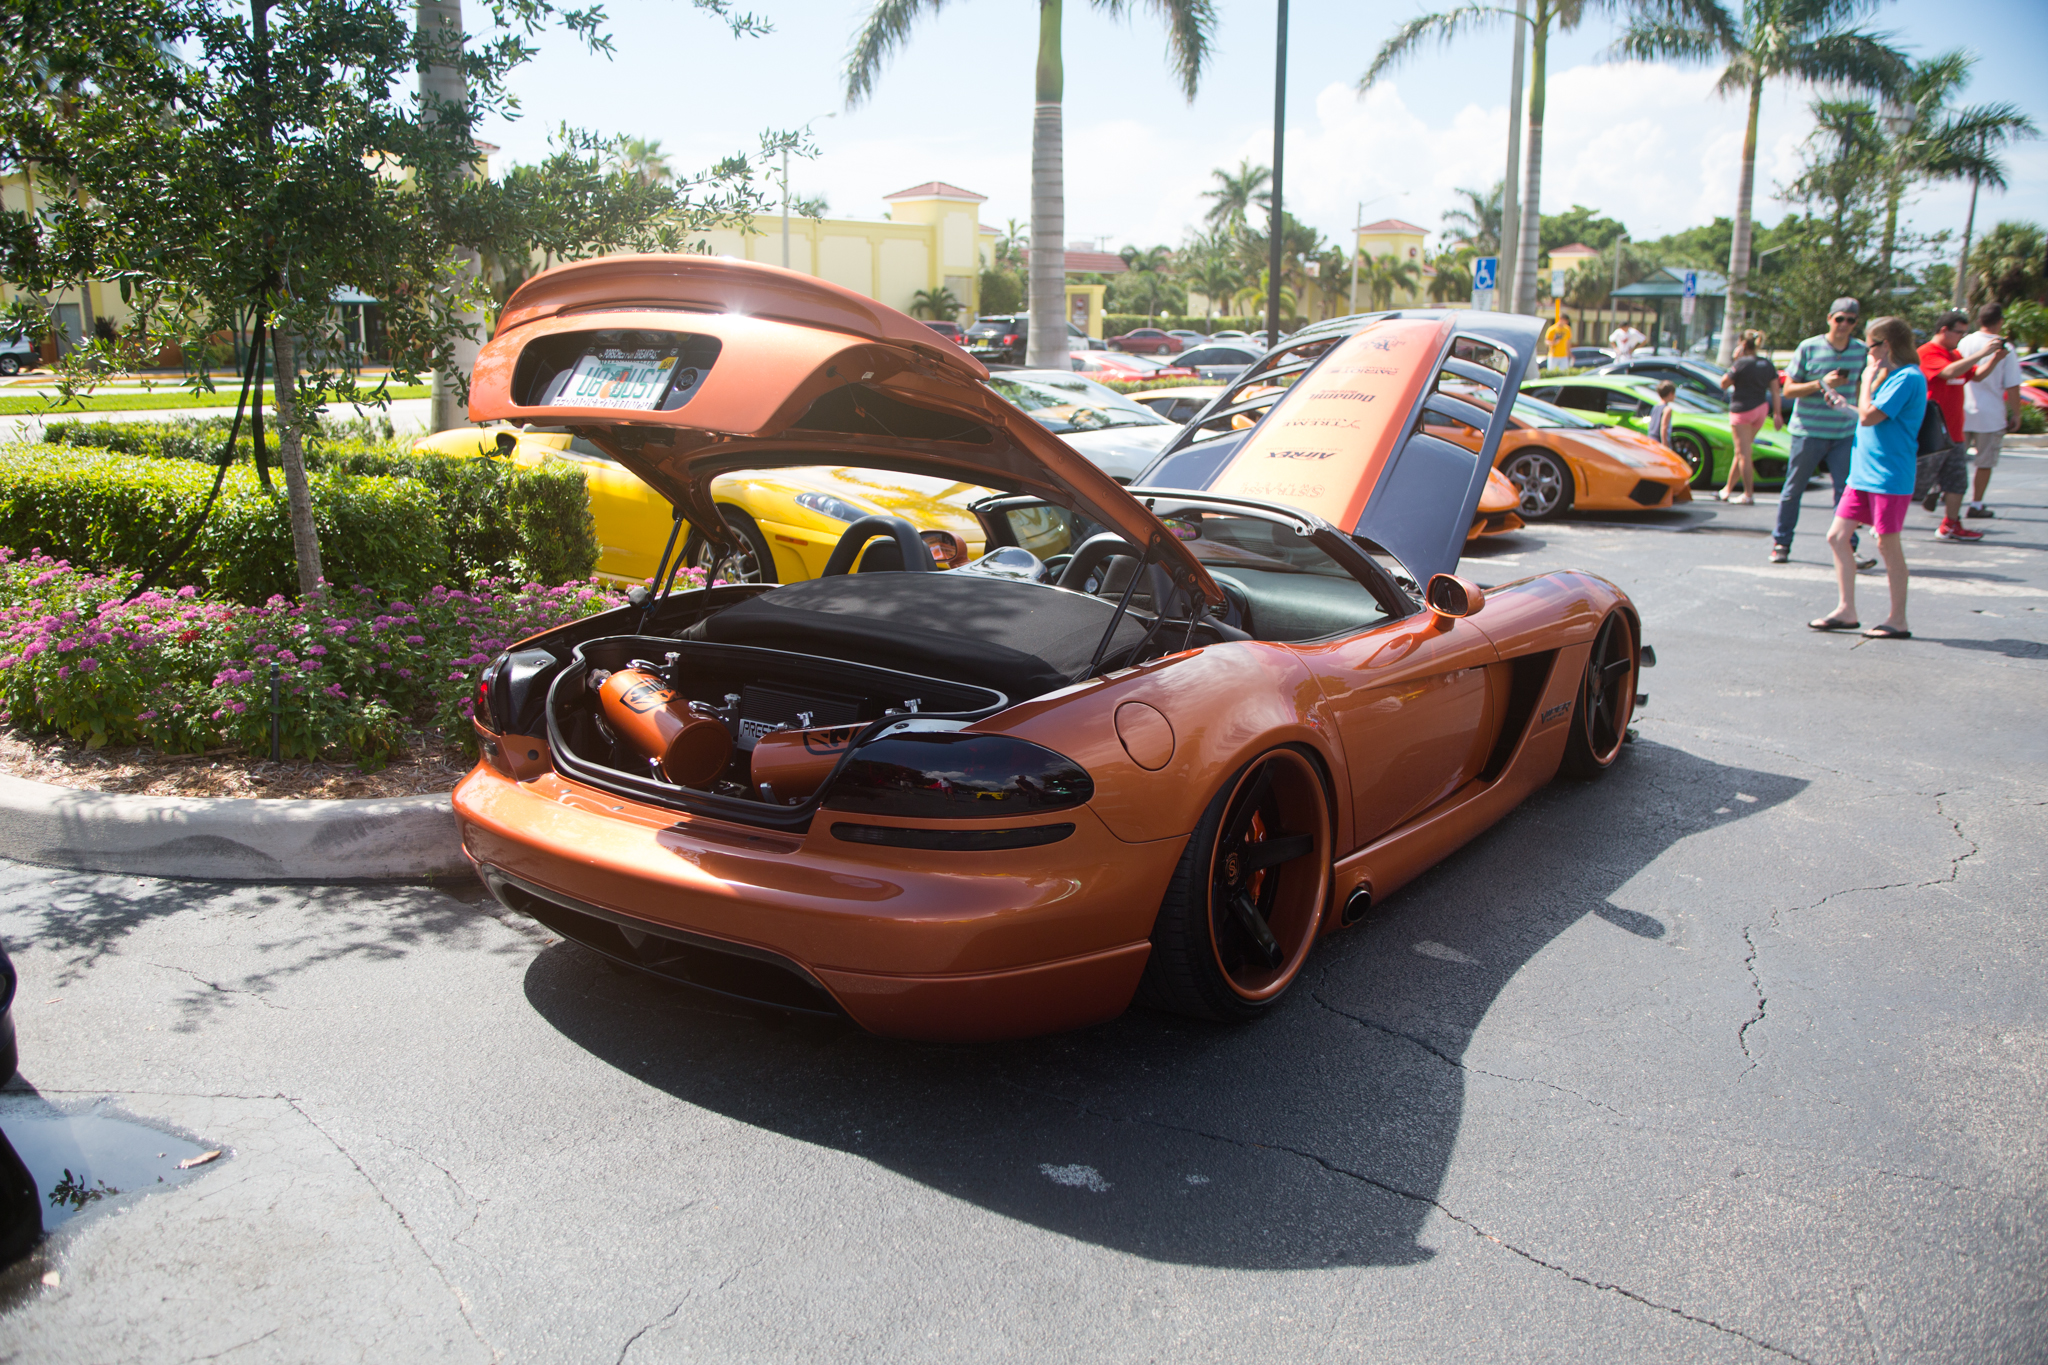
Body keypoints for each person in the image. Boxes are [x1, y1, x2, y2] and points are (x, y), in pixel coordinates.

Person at [1811, 316, 1923, 640]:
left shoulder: (1907, 377)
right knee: (1837, 536)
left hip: (1889, 476)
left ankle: (1897, 619)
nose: (1867, 353)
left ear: (1886, 345)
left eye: (1871, 345)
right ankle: (1846, 610)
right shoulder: (1891, 377)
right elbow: (1866, 416)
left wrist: (1865, 383)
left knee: (1887, 545)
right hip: (1863, 474)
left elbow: (1871, 416)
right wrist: (1847, 404)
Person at [1772, 297, 1871, 567]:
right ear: (1829, 318)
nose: (1844, 325)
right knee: (1793, 490)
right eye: (1840, 319)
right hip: (1809, 431)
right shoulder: (1809, 347)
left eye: (1851, 321)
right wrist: (1820, 383)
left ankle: (1849, 549)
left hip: (1844, 432)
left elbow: (1866, 387)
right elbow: (1789, 389)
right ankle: (1781, 543)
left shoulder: (1861, 351)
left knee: (1847, 493)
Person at [1915, 310, 1983, 542]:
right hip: (1930, 433)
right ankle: (1880, 523)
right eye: (1959, 333)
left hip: (1954, 432)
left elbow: (1976, 375)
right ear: (1944, 330)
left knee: (1957, 482)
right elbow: (1948, 372)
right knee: (1914, 484)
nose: (1961, 338)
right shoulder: (1927, 352)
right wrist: (1983, 352)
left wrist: (1995, 357)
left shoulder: (1955, 354)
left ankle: (1950, 525)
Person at [1956, 302, 2022, 519]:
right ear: (2000, 321)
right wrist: (2016, 413)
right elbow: (2012, 384)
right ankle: (1976, 503)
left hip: (1962, 410)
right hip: (1991, 414)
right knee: (1984, 463)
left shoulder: (1964, 342)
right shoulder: (2006, 348)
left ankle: (1942, 493)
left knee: (1955, 459)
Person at [1717, 329, 1781, 504]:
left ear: (1743, 344)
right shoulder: (1767, 363)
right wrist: (1777, 414)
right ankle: (1727, 490)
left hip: (1742, 410)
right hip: (1761, 408)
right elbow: (1775, 391)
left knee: (1744, 453)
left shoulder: (1741, 363)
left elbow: (1724, 383)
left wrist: (1735, 361)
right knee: (1741, 451)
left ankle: (1748, 494)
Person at [1648, 380, 1677, 448]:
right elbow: (1664, 427)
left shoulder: (1656, 406)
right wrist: (1665, 445)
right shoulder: (1667, 409)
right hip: (1659, 441)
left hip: (1651, 439)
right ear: (1670, 394)